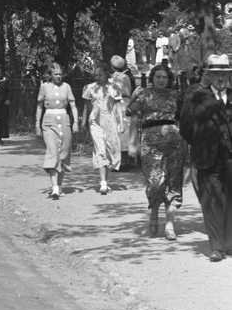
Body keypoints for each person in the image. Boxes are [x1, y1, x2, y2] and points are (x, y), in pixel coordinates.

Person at [180, 52, 232, 261]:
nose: (220, 78)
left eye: (224, 74)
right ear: (208, 75)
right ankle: (217, 247)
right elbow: (186, 128)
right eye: (216, 73)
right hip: (207, 157)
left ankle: (229, 243)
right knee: (211, 201)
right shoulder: (196, 97)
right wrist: (203, 143)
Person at [127, 64, 184, 239]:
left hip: (174, 142)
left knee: (173, 182)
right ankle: (154, 211)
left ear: (169, 79)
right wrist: (132, 143)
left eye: (164, 77)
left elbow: (183, 120)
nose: (161, 80)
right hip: (150, 142)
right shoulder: (143, 95)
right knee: (155, 181)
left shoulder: (176, 96)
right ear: (152, 78)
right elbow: (134, 119)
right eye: (158, 76)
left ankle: (169, 226)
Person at [36, 62, 79, 199]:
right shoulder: (44, 87)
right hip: (49, 121)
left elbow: (73, 106)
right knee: (53, 152)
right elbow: (39, 106)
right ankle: (54, 188)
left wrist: (75, 122)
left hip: (64, 120)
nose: (58, 76)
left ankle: (59, 186)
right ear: (50, 75)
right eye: (56, 74)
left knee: (64, 153)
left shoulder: (67, 87)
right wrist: (37, 124)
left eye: (60, 74)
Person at [81, 62, 124, 195]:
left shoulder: (114, 88)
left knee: (110, 150)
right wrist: (83, 123)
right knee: (100, 149)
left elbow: (117, 107)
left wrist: (121, 123)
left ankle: (106, 180)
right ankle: (103, 183)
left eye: (101, 75)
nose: (98, 77)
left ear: (106, 74)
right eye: (96, 75)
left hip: (110, 120)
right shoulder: (90, 88)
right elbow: (86, 106)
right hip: (95, 121)